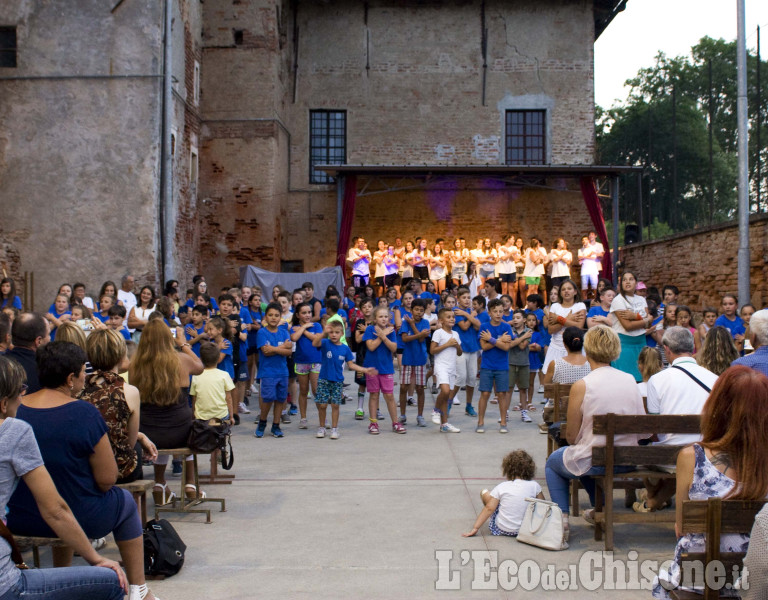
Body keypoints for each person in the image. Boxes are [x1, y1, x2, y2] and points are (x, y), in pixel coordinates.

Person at [6, 343, 158, 600]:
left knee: (62, 499)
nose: (86, 376)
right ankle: (138, 589)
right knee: (124, 502)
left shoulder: (16, 409)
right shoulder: (84, 412)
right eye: (82, 372)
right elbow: (106, 479)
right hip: (75, 515)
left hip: (20, 517)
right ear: (70, 379)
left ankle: (61, 572)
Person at [651, 366, 768, 599]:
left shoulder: (693, 458)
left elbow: (682, 527)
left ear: (718, 407)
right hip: (759, 584)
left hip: (700, 579)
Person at [544, 326, 645, 542]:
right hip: (627, 459)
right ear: (616, 352)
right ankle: (600, 507)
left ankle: (561, 518)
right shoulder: (629, 379)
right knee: (586, 459)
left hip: (597, 458)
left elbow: (571, 436)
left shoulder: (583, 385)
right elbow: (642, 428)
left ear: (587, 350)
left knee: (556, 462)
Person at [635, 327, 719, 513]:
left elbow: (654, 430)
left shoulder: (658, 380)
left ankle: (653, 499)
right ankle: (654, 499)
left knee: (644, 452)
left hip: (668, 456)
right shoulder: (714, 379)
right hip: (706, 453)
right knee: (683, 455)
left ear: (667, 350)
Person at [130, 319, 203, 504]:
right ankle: (190, 484)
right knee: (191, 428)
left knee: (159, 426)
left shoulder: (136, 365)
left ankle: (160, 483)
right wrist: (183, 343)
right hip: (180, 431)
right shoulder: (181, 360)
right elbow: (200, 367)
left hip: (148, 435)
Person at [82, 329, 157, 485]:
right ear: (121, 355)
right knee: (134, 449)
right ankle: (136, 508)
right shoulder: (129, 391)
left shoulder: (80, 389)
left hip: (86, 466)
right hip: (119, 467)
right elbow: (129, 441)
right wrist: (140, 437)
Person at [311, 320, 374, 440]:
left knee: (335, 405)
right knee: (322, 405)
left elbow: (351, 365)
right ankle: (322, 427)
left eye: (337, 332)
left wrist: (365, 370)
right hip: (323, 380)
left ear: (342, 334)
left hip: (337, 381)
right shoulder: (325, 343)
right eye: (332, 332)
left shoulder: (345, 349)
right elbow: (315, 343)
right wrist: (324, 332)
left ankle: (335, 429)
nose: (334, 334)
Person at [463, 450, 544, 538]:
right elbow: (543, 505)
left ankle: (485, 494)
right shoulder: (535, 485)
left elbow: (489, 508)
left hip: (503, 528)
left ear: (507, 469)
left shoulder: (502, 487)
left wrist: (475, 527)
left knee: (487, 494)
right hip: (527, 529)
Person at [254, 302, 292, 439]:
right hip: (267, 372)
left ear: (280, 317)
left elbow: (289, 352)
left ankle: (276, 425)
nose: (273, 318)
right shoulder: (262, 332)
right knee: (268, 398)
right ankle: (262, 422)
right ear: (265, 317)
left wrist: (274, 349)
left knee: (281, 399)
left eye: (276, 315)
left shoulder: (284, 332)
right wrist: (282, 347)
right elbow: (266, 352)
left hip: (283, 371)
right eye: (270, 315)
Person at [363, 306, 402, 434]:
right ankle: (373, 423)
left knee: (389, 395)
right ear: (374, 319)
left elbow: (394, 348)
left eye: (386, 316)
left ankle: (395, 423)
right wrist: (381, 335)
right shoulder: (369, 329)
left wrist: (384, 336)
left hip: (387, 368)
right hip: (372, 368)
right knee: (374, 395)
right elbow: (371, 347)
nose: (384, 319)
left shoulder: (391, 331)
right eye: (380, 316)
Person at [476, 298, 513, 434]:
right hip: (486, 365)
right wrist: (498, 340)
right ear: (489, 312)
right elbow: (484, 347)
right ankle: (480, 422)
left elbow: (506, 347)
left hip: (502, 366)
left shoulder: (507, 327)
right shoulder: (484, 326)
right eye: (495, 311)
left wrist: (491, 339)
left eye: (501, 311)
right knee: (485, 393)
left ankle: (503, 422)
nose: (498, 314)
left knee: (502, 394)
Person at [609, 271, 652, 382]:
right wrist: (645, 319)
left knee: (642, 378)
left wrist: (635, 316)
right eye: (624, 279)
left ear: (636, 283)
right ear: (621, 284)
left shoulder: (642, 299)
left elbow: (650, 324)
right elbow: (627, 325)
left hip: (641, 341)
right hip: (624, 342)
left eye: (631, 279)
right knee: (623, 379)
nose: (627, 282)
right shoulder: (618, 300)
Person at [543, 279, 586, 374]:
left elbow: (578, 327)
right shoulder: (555, 307)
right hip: (555, 347)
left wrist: (558, 319)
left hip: (575, 349)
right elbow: (550, 330)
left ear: (575, 292)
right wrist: (568, 318)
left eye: (569, 288)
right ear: (560, 293)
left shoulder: (580, 306)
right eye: (563, 289)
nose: (566, 291)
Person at [290, 302, 323, 429]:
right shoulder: (295, 327)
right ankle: (303, 418)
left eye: (309, 312)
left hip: (316, 361)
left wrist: (304, 331)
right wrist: (303, 328)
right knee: (303, 390)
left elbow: (318, 341)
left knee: (316, 390)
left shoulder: (317, 325)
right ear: (298, 315)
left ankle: (322, 417)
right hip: (301, 362)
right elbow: (293, 338)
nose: (307, 315)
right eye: (304, 313)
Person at [398, 298, 430, 427]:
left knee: (420, 388)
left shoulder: (425, 323)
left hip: (420, 359)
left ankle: (420, 416)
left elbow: (422, 340)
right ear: (411, 310)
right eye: (416, 309)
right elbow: (405, 338)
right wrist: (418, 333)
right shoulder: (405, 322)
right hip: (407, 359)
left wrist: (413, 326)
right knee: (403, 387)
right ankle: (402, 415)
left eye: (421, 310)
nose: (419, 312)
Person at [431, 307, 462, 433]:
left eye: (453, 317)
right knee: (444, 391)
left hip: (451, 367)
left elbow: (459, 353)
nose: (452, 319)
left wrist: (456, 345)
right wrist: (447, 344)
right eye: (448, 317)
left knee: (447, 395)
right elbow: (432, 350)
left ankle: (444, 424)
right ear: (441, 320)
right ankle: (435, 411)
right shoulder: (438, 333)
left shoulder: (455, 334)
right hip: (441, 366)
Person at [190, 341, 235, 426]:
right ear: (218, 359)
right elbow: (228, 398)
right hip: (221, 416)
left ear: (201, 359)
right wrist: (231, 417)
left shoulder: (196, 376)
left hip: (201, 417)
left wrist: (193, 414)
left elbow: (194, 399)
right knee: (221, 436)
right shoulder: (224, 375)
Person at [6, 313, 49, 394]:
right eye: (48, 334)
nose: (49, 338)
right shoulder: (46, 370)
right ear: (38, 341)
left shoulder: (3, 362)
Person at [732, 308, 768, 376]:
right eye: (745, 314)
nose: (748, 317)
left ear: (753, 336)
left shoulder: (741, 364)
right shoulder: (738, 328)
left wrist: (744, 341)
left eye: (750, 314)